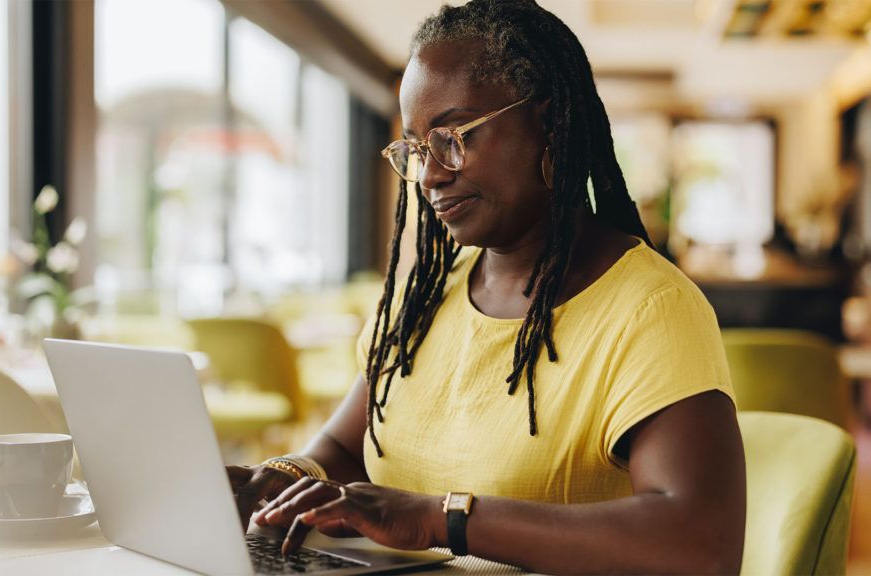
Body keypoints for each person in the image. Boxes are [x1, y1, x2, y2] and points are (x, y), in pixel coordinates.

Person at [229, 1, 746, 573]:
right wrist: (283, 480)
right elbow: (344, 449)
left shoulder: (651, 309)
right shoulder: (421, 299)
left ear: (550, 124)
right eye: (418, 149)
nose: (429, 174)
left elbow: (701, 544)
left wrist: (441, 520)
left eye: (453, 136)